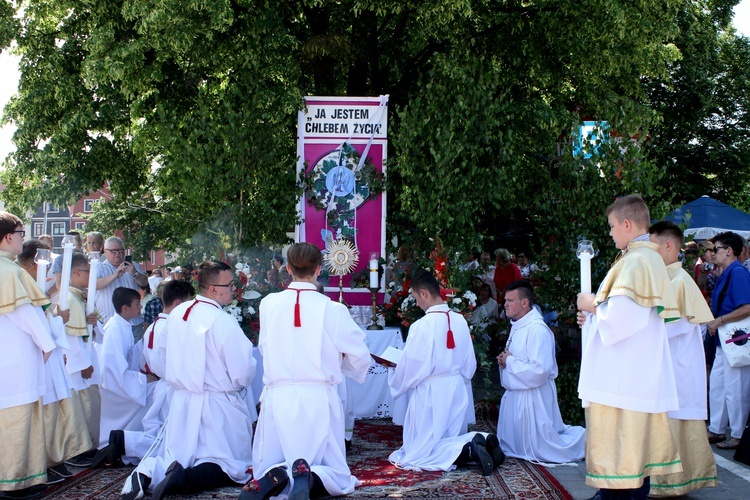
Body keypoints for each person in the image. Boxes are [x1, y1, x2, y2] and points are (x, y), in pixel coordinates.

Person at [245, 243, 370, 500]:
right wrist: (341, 364)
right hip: (318, 399)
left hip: (278, 398)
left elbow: (265, 347)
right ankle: (308, 477)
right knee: (336, 474)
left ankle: (275, 477)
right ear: (319, 269)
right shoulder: (332, 309)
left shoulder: (269, 304)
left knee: (274, 456)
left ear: (288, 269)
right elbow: (359, 355)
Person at [577, 194, 681, 499]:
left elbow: (624, 318)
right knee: (630, 457)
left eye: (611, 226)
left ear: (626, 223)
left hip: (624, 378)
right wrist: (595, 318)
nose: (609, 232)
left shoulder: (638, 260)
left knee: (623, 456)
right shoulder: (642, 258)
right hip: (632, 372)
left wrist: (593, 305)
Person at [127, 260, 257, 500]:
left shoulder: (177, 314)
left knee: (178, 454)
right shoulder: (221, 321)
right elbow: (242, 371)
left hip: (182, 402)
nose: (233, 289)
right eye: (229, 285)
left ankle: (146, 473)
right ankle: (184, 479)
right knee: (233, 466)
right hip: (217, 406)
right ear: (213, 289)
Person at [387, 269, 502, 476]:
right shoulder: (460, 320)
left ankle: (470, 448)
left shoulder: (421, 326)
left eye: (415, 297)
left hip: (430, 391)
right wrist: (459, 379)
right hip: (457, 386)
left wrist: (395, 372)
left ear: (423, 293)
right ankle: (477, 441)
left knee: (418, 452)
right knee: (447, 436)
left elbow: (412, 366)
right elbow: (469, 362)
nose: (417, 304)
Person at [648, 221, 717, 496]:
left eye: (652, 246)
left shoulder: (678, 281)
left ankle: (669, 484)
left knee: (673, 422)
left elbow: (669, 327)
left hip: (676, 368)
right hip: (666, 365)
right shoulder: (664, 278)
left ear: (667, 246)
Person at [18, 242, 93, 484]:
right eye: (43, 264)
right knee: (45, 412)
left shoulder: (35, 286)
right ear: (32, 264)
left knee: (53, 411)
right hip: (36, 358)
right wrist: (57, 319)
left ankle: (52, 458)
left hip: (49, 356)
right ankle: (45, 461)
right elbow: (32, 322)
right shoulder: (19, 283)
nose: (48, 270)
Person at [0, 212, 57, 498]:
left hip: (6, 357)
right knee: (17, 419)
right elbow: (26, 314)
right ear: (8, 236)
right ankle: (11, 484)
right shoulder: (9, 271)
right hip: (15, 359)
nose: (24, 237)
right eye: (21, 232)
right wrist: (47, 344)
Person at [497, 280, 585, 463]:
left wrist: (510, 361)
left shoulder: (537, 330)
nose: (505, 304)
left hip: (533, 398)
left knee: (548, 448)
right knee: (516, 449)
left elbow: (540, 371)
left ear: (525, 303)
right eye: (505, 300)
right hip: (518, 395)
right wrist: (505, 361)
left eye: (510, 300)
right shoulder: (518, 325)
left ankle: (587, 440)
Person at [93, 287, 157, 468]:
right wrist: (143, 380)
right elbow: (113, 371)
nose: (140, 308)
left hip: (127, 382)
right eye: (137, 305)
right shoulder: (114, 329)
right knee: (157, 393)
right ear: (125, 308)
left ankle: (134, 442)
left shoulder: (123, 325)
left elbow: (130, 356)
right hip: (117, 389)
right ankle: (126, 443)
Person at [705, 231, 750, 450]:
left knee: (735, 388)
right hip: (726, 340)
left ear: (729, 251)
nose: (712, 254)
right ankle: (717, 429)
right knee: (719, 385)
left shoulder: (738, 272)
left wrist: (720, 320)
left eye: (716, 249)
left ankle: (738, 434)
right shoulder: (729, 272)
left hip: (734, 339)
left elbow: (748, 307)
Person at [96, 236, 146, 341]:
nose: (118, 253)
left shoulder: (133, 265)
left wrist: (135, 273)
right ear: (105, 251)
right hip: (110, 324)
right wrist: (114, 276)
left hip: (134, 323)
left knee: (135, 356)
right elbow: (95, 285)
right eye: (113, 251)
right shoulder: (99, 267)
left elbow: (144, 283)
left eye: (120, 250)